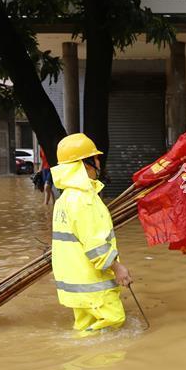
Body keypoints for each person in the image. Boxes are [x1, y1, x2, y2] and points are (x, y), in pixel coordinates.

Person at [50, 133, 133, 332]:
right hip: (91, 283)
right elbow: (95, 245)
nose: (99, 161)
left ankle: (78, 359)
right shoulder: (84, 200)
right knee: (114, 319)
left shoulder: (65, 198)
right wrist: (117, 267)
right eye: (95, 158)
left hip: (75, 283)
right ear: (84, 164)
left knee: (85, 327)